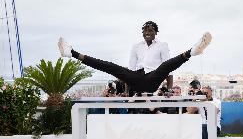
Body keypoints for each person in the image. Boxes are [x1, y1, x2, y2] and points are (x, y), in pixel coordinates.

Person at [57, 21, 212, 94]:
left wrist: (169, 91)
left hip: (153, 79)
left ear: (156, 32)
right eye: (144, 30)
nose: (147, 32)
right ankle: (72, 53)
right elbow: (129, 71)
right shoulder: (136, 47)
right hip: (136, 79)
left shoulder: (162, 45)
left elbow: (169, 69)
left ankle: (193, 51)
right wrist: (125, 91)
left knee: (164, 67)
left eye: (150, 30)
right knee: (112, 67)